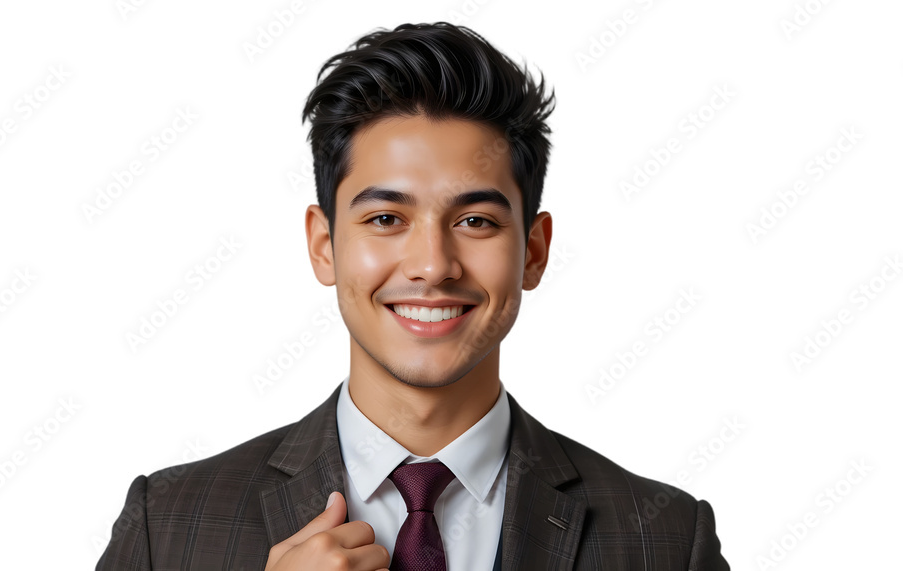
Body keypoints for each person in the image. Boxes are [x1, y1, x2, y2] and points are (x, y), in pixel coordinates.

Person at [96, 21, 729, 570]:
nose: (432, 266)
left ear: (533, 250)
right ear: (323, 244)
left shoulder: (666, 540)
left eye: (476, 221)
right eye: (385, 219)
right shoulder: (168, 524)